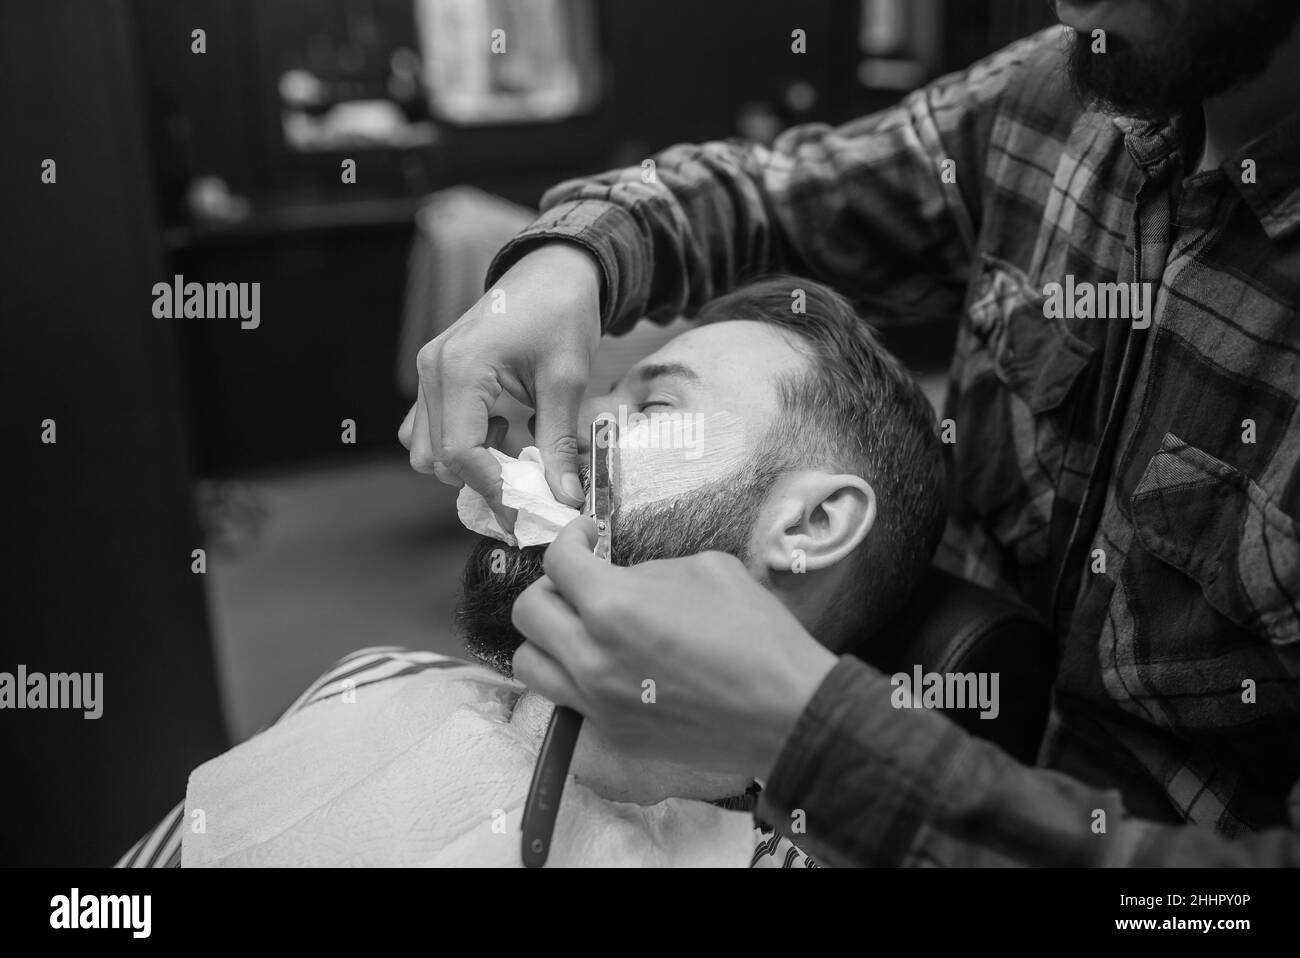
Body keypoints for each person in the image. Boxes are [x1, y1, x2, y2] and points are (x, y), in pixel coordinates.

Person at [400, 1, 1300, 866]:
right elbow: (766, 197)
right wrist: (571, 262)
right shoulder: (1065, 88)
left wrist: (809, 736)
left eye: (657, 408)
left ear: (813, 523)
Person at [119, 277, 945, 867]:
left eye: (653, 408)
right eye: (606, 396)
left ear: (810, 524)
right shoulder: (369, 680)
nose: (578, 422)